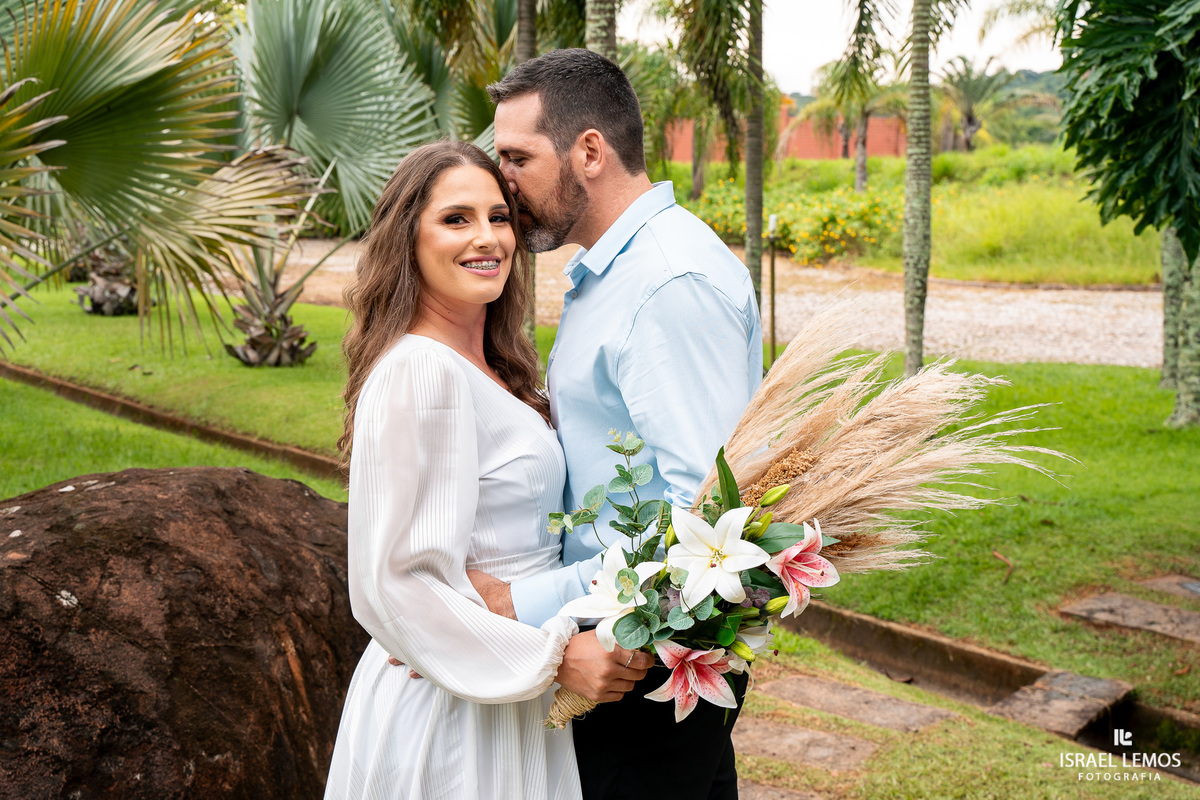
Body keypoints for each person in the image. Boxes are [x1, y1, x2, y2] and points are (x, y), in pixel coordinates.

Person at [468, 49, 764, 799]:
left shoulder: (667, 283)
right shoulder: (618, 273)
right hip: (616, 650)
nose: (503, 180)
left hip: (638, 664)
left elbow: (703, 522)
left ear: (590, 152)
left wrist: (521, 603)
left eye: (518, 158)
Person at [323, 139, 652, 800]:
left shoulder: (496, 368)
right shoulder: (420, 371)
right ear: (407, 238)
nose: (487, 238)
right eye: (456, 219)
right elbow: (395, 584)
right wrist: (554, 659)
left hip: (510, 699)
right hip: (452, 717)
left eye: (499, 217)